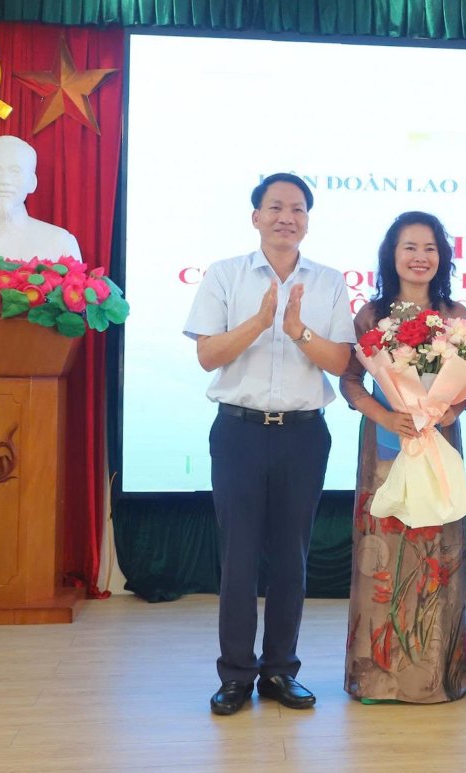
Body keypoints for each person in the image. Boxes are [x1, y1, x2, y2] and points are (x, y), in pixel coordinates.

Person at [183, 172, 354, 716]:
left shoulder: (328, 281)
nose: (287, 217)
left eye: (298, 209)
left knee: (291, 558)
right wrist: (260, 322)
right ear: (255, 216)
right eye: (276, 207)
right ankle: (235, 675)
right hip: (238, 431)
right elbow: (208, 355)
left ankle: (281, 671)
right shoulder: (226, 276)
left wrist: (299, 329)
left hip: (303, 435)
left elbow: (343, 363)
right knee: (237, 558)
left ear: (308, 219)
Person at [339, 211, 466, 703]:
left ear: (442, 257)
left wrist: (448, 409)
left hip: (438, 446)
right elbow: (350, 381)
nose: (420, 257)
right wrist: (383, 414)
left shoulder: (456, 315)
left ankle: (432, 676)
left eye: (430, 248)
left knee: (436, 553)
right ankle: (379, 677)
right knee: (386, 558)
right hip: (386, 445)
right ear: (391, 256)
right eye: (409, 247)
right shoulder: (371, 316)